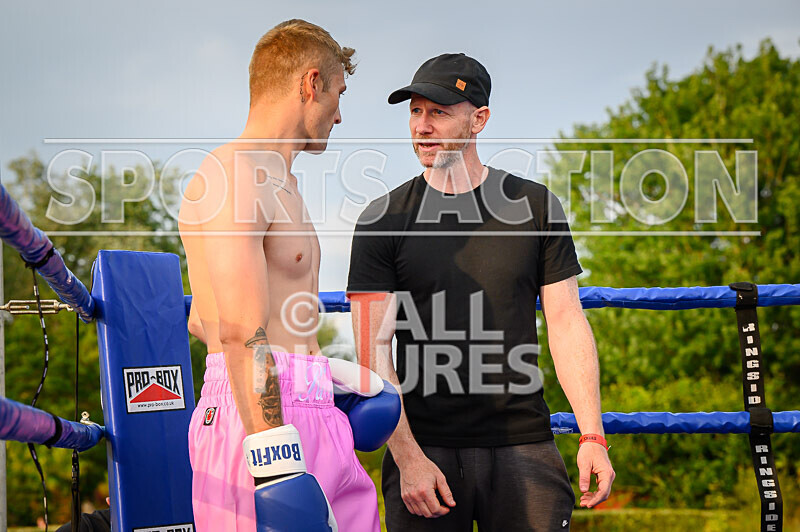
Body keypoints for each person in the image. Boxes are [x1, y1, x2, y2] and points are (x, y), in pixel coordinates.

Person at [347, 53, 615, 531]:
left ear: (479, 119)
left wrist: (592, 436)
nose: (422, 127)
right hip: (423, 450)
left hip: (523, 444)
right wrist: (407, 457)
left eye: (439, 112)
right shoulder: (381, 219)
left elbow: (567, 321)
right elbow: (373, 349)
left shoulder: (534, 206)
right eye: (414, 111)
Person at [179, 20, 395, 532]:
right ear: (310, 83)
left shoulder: (283, 181)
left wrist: (319, 375)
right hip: (258, 421)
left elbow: (199, 321)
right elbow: (236, 329)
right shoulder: (235, 173)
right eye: (337, 95)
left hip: (306, 405)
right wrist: (272, 456)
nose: (339, 116)